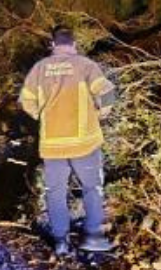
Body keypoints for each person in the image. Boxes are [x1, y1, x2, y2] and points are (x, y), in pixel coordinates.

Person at [19, 26, 117, 256]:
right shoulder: (85, 65)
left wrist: (42, 117)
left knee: (55, 192)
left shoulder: (39, 69)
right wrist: (102, 113)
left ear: (52, 45)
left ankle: (61, 241)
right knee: (92, 188)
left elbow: (26, 101)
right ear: (74, 44)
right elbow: (107, 92)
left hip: (53, 146)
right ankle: (92, 236)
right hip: (85, 144)